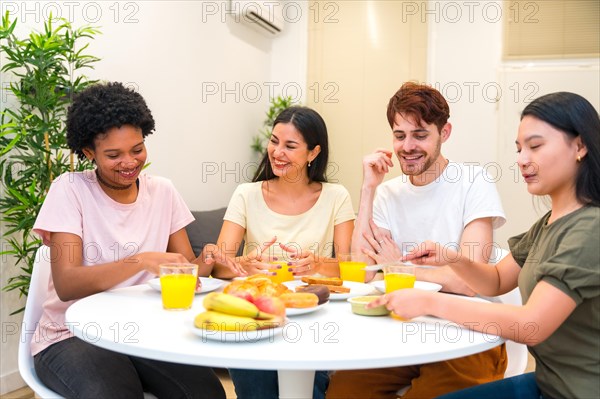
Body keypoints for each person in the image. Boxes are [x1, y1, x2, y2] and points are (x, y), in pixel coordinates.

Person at [370, 91, 600, 398]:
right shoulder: (549, 223)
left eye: (535, 146)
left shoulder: (589, 228)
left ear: (580, 146)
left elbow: (532, 324)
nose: (522, 160)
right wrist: (452, 258)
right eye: (519, 149)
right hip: (547, 381)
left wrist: (429, 301)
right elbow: (495, 281)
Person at [31, 82, 235, 399]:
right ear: (89, 153)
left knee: (207, 393)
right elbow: (68, 283)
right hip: (70, 334)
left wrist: (206, 259)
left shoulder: (162, 191)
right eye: (114, 154)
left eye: (137, 149)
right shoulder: (69, 189)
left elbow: (186, 274)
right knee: (116, 393)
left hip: (142, 331)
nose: (129, 162)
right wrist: (140, 261)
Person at [326, 82, 508, 398]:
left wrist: (396, 267)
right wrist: (368, 188)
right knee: (342, 392)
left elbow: (471, 282)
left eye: (420, 135)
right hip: (400, 327)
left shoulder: (474, 182)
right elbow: (362, 270)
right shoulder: (386, 192)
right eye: (400, 135)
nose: (407, 146)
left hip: (467, 332)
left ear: (445, 132)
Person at [212, 106, 355, 399]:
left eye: (290, 146)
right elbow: (218, 266)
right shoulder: (246, 194)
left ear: (313, 153)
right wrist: (244, 264)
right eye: (274, 141)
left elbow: (349, 267)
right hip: (256, 317)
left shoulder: (336, 196)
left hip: (310, 317)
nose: (277, 152)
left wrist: (318, 263)